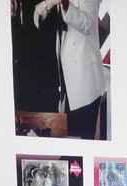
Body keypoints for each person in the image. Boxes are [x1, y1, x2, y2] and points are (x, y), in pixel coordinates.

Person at [34, 0, 106, 139]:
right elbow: (37, 17)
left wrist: (66, 5)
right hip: (65, 78)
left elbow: (88, 24)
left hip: (84, 80)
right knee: (70, 136)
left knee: (83, 140)